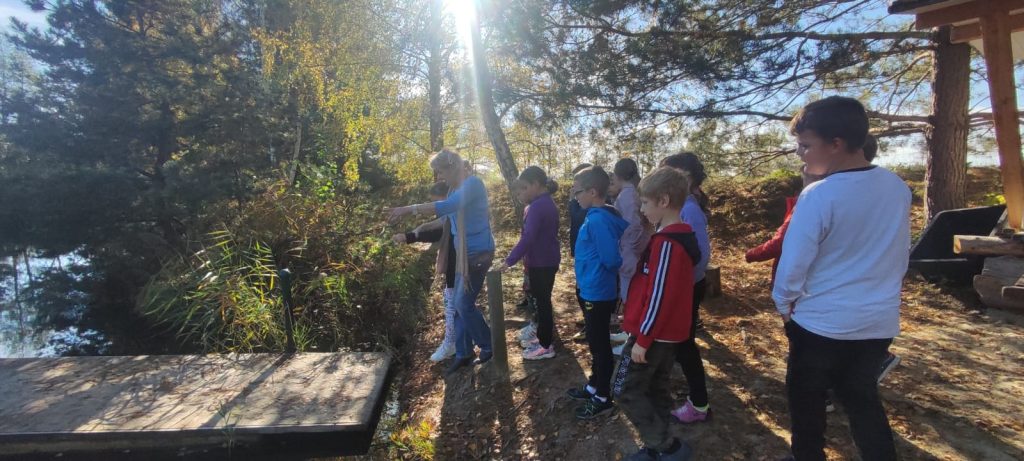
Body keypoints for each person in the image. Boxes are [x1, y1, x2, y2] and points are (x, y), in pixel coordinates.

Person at [776, 96, 909, 461]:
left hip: (821, 324)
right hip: (877, 322)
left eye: (806, 145)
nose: (800, 154)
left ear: (836, 144)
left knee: (807, 402)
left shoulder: (819, 195)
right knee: (861, 398)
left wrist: (784, 305)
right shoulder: (897, 187)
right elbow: (899, 255)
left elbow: (793, 264)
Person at [613, 166, 700, 461]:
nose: (641, 209)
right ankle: (660, 446)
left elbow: (660, 296)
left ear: (663, 201)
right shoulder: (672, 238)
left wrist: (643, 339)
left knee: (622, 388)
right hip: (661, 334)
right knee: (654, 387)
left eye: (645, 203)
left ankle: (664, 446)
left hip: (652, 336)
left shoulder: (668, 244)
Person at [388, 148, 496, 376]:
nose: (439, 177)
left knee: (463, 304)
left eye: (440, 171)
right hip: (462, 256)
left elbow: (448, 207)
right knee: (458, 304)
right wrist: (413, 234)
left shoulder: (473, 185)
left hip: (478, 254)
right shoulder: (454, 190)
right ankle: (463, 353)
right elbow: (446, 219)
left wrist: (409, 209)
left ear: (453, 167)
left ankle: (488, 345)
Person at [566, 165, 628, 419]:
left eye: (577, 192)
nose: (575, 197)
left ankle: (602, 396)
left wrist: (595, 276)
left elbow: (611, 259)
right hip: (590, 288)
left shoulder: (599, 220)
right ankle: (594, 385)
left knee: (600, 345)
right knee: (595, 341)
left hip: (598, 292)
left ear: (593, 192)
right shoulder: (593, 216)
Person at [659, 152, 712, 423]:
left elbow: (701, 255)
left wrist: (678, 281)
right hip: (684, 286)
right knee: (680, 343)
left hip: (688, 288)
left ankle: (699, 404)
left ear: (686, 178)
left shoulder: (689, 209)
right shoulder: (682, 206)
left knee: (685, 345)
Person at [495, 166, 561, 361]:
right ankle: (542, 337)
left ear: (536, 184)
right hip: (544, 260)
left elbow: (529, 237)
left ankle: (545, 346)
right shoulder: (543, 203)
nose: (521, 193)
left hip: (542, 263)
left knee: (542, 304)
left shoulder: (539, 206)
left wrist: (509, 260)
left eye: (524, 188)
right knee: (541, 302)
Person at [393, 182, 457, 362]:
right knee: (456, 302)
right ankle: (460, 342)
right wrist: (411, 235)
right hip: (457, 260)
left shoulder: (453, 211)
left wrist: (408, 237)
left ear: (445, 198)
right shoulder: (450, 213)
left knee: (455, 303)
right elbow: (436, 227)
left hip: (459, 261)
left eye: (436, 202)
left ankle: (454, 343)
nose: (436, 209)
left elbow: (436, 231)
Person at [565, 162, 593, 344]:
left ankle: (591, 326)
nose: (574, 189)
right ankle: (589, 320)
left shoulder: (589, 204)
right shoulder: (582, 200)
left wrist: (571, 200)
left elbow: (577, 217)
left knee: (583, 290)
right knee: (581, 289)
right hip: (579, 249)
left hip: (588, 254)